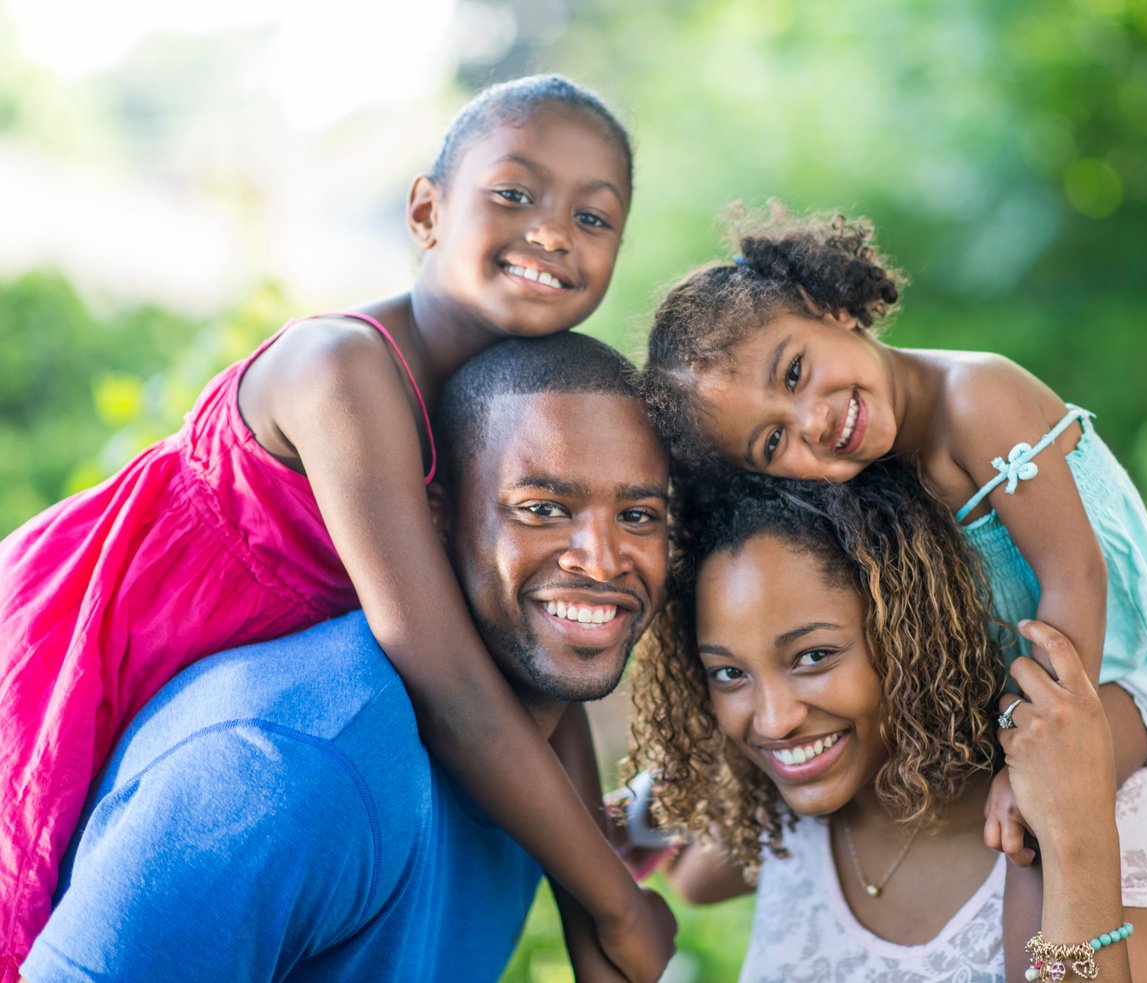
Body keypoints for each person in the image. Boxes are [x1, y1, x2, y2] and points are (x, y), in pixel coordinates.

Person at [0, 76, 673, 982]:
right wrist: (617, 903)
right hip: (118, 633)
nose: (553, 231)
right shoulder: (345, 369)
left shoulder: (503, 412)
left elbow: (529, 668)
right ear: (426, 211)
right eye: (514, 193)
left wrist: (589, 885)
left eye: (594, 218)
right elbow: (457, 692)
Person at [18, 333, 674, 983]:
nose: (601, 557)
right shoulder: (290, 772)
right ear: (436, 520)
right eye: (542, 509)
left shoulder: (533, 777)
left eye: (640, 516)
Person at [640, 205, 1147, 877]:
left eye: (796, 372)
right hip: (1016, 694)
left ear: (826, 305)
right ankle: (658, 814)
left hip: (1115, 677)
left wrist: (1027, 755)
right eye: (773, 441)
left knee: (1026, 834)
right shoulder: (865, 468)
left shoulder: (977, 398)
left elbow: (1076, 579)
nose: (814, 421)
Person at [626, 462, 1147, 981]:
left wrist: (1068, 840)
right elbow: (688, 875)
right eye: (729, 674)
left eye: (813, 657)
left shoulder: (1130, 817)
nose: (775, 721)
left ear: (913, 637)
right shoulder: (789, 815)